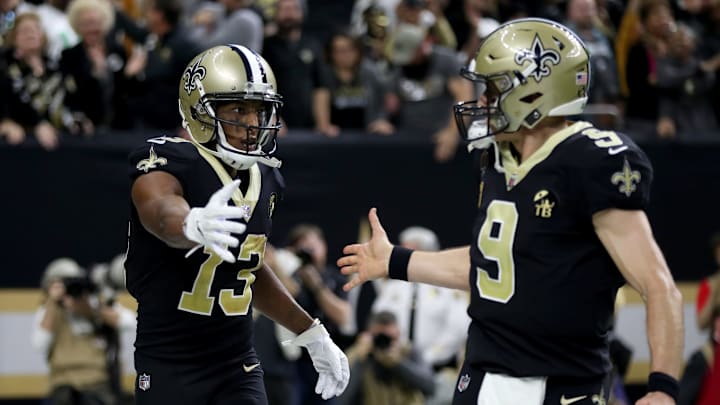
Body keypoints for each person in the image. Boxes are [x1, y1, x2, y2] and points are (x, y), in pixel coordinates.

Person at [337, 18, 684, 405]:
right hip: (483, 376)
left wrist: (662, 386)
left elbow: (658, 286)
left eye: (492, 89)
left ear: (534, 92)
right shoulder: (499, 159)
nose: (481, 101)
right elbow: (493, 264)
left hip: (563, 384)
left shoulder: (591, 161)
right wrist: (396, 262)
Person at [125, 44, 349, 405]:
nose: (252, 123)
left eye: (260, 111)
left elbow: (249, 270)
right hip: (170, 364)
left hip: (237, 366)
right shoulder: (169, 158)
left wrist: (310, 331)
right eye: (238, 109)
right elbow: (160, 210)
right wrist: (191, 223)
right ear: (200, 111)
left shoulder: (265, 179)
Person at [31, 257, 136, 405]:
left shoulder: (93, 304)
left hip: (98, 386)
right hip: (63, 387)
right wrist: (52, 303)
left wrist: (90, 310)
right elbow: (39, 344)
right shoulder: (48, 311)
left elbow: (129, 322)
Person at [339, 310, 435, 405]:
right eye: (379, 338)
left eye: (390, 338)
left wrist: (398, 363)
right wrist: (359, 359)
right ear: (370, 335)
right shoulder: (360, 354)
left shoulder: (409, 352)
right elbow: (342, 398)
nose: (384, 343)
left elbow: (430, 387)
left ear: (398, 334)